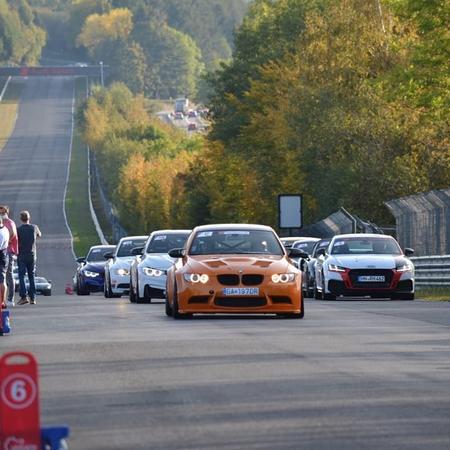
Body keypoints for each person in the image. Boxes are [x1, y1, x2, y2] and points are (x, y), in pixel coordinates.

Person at [16, 211, 41, 305]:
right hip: (32, 255)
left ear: (21, 219)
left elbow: (16, 239)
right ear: (29, 218)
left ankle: (23, 296)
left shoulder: (18, 229)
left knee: (22, 276)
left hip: (22, 255)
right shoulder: (34, 227)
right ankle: (33, 298)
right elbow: (39, 235)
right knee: (32, 276)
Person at [0, 205, 18, 307]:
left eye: (2, 212)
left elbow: (13, 234)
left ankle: (10, 298)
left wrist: (8, 241)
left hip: (8, 250)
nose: (1, 214)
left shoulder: (9, 223)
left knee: (8, 275)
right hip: (4, 249)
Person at [0, 217, 10, 309]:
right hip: (5, 253)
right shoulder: (5, 229)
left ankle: (2, 301)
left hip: (1, 254)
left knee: (2, 279)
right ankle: (2, 300)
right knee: (2, 278)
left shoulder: (1, 233)